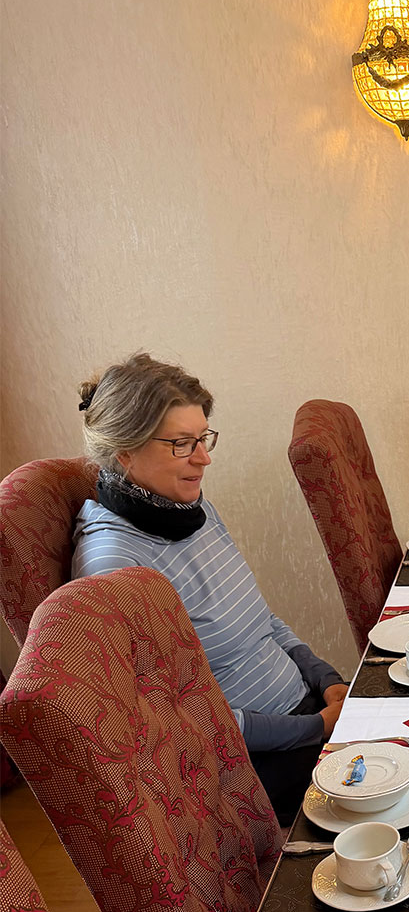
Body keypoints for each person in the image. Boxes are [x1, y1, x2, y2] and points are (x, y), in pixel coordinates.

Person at [71, 353, 348, 824]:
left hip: (307, 717)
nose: (204, 458)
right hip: (254, 768)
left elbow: (262, 621)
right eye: (182, 444)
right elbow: (185, 720)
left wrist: (327, 679)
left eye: (203, 438)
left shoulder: (189, 510)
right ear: (125, 452)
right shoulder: (115, 569)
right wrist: (315, 727)